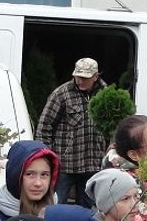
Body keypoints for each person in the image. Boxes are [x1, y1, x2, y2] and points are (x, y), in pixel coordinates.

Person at [37, 57, 107, 207]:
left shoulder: (106, 94)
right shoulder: (61, 94)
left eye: (85, 77)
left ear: (96, 77)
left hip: (93, 163)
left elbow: (114, 127)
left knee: (88, 209)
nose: (80, 80)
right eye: (77, 76)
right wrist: (46, 157)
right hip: (65, 164)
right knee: (54, 205)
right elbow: (45, 126)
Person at [0, 140, 59, 220]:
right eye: (29, 174)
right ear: (15, 176)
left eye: (44, 175)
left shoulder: (58, 217)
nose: (38, 183)